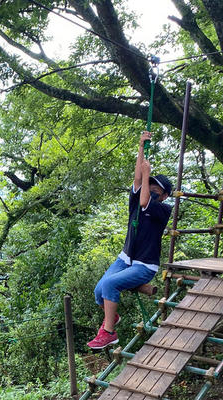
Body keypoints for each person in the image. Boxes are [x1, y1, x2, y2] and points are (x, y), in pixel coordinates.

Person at [87, 131, 173, 349]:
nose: (151, 187)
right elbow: (137, 181)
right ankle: (111, 318)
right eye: (150, 184)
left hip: (144, 266)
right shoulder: (136, 201)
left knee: (109, 284)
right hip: (125, 258)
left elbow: (145, 199)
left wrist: (147, 175)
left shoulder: (162, 209)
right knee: (99, 292)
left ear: (164, 195)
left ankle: (109, 332)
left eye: (157, 188)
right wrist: (141, 146)